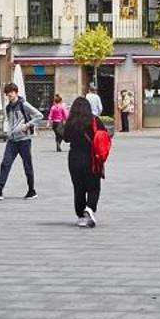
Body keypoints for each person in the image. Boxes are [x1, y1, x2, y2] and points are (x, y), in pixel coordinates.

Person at [0, 83, 42, 201]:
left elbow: (39, 115)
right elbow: (10, 122)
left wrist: (27, 125)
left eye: (12, 92)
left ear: (16, 92)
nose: (10, 95)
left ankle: (32, 190)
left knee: (27, 165)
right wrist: (8, 132)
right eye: (8, 93)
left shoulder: (23, 104)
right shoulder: (8, 107)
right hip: (12, 140)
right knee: (5, 164)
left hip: (24, 140)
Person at [63, 93, 105, 227]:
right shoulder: (95, 120)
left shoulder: (70, 122)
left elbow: (65, 138)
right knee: (94, 187)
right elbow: (105, 135)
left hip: (74, 158)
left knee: (78, 187)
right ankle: (90, 207)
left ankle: (81, 216)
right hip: (91, 158)